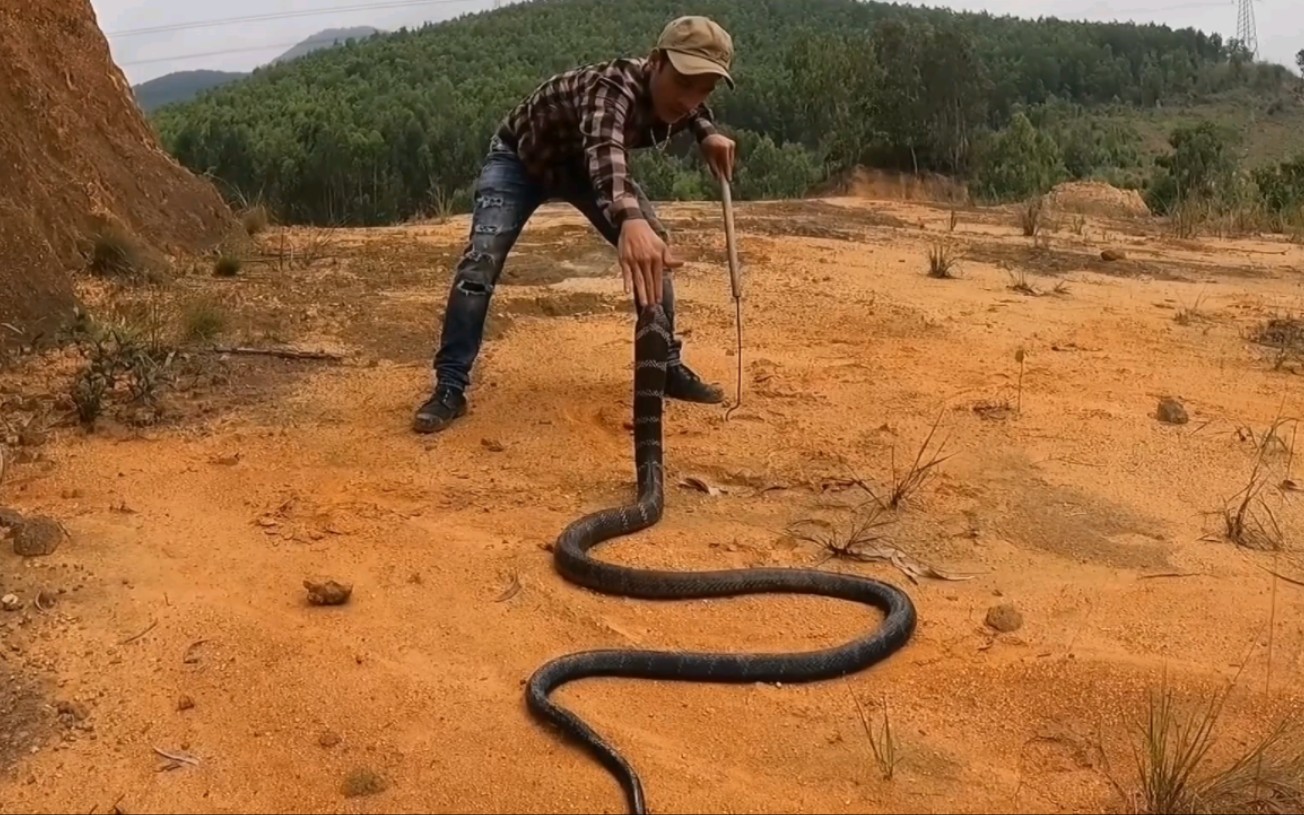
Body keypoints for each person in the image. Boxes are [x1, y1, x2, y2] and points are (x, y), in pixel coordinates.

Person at [412, 15, 739, 434]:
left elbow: (691, 108)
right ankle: (449, 387)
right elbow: (604, 150)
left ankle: (667, 367)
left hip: (582, 172)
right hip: (520, 161)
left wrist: (706, 132)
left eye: (705, 87)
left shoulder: (683, 96)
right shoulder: (612, 87)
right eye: (684, 81)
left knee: (654, 254)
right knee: (480, 263)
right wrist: (630, 219)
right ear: (656, 62)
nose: (690, 98)